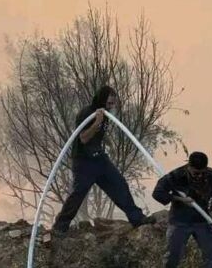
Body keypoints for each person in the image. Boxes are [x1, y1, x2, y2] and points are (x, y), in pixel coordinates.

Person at [52, 86, 152, 234]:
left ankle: (137, 218)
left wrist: (109, 142)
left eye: (113, 104)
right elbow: (84, 138)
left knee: (119, 184)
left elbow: (99, 133)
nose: (111, 107)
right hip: (84, 161)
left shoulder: (105, 114)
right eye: (109, 104)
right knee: (78, 194)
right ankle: (60, 226)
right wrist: (97, 122)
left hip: (99, 158)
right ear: (101, 100)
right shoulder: (86, 114)